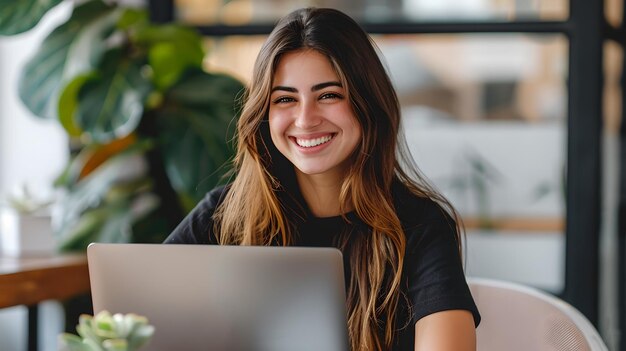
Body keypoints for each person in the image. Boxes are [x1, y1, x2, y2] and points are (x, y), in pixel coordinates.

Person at [164, 7, 480, 351]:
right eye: (285, 99)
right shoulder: (224, 215)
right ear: (263, 114)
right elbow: (135, 322)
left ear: (367, 104)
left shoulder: (420, 227)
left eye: (329, 95)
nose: (305, 119)